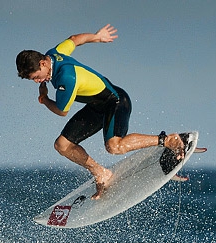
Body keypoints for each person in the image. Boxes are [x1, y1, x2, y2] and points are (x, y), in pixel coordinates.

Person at [17, 24, 185, 198]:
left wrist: (44, 99)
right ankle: (101, 173)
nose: (37, 81)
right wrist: (96, 36)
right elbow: (74, 39)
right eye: (34, 80)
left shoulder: (66, 78)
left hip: (115, 100)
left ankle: (168, 140)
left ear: (43, 63)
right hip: (96, 105)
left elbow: (61, 111)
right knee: (62, 145)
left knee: (114, 146)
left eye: (36, 77)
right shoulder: (53, 54)